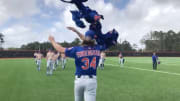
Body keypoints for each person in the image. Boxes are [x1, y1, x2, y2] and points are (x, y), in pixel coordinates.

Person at [48, 27, 107, 101]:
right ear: (94, 39)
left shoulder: (77, 49)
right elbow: (88, 40)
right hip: (91, 81)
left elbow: (60, 49)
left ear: (85, 38)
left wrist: (52, 41)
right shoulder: (98, 48)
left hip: (79, 80)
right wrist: (77, 32)